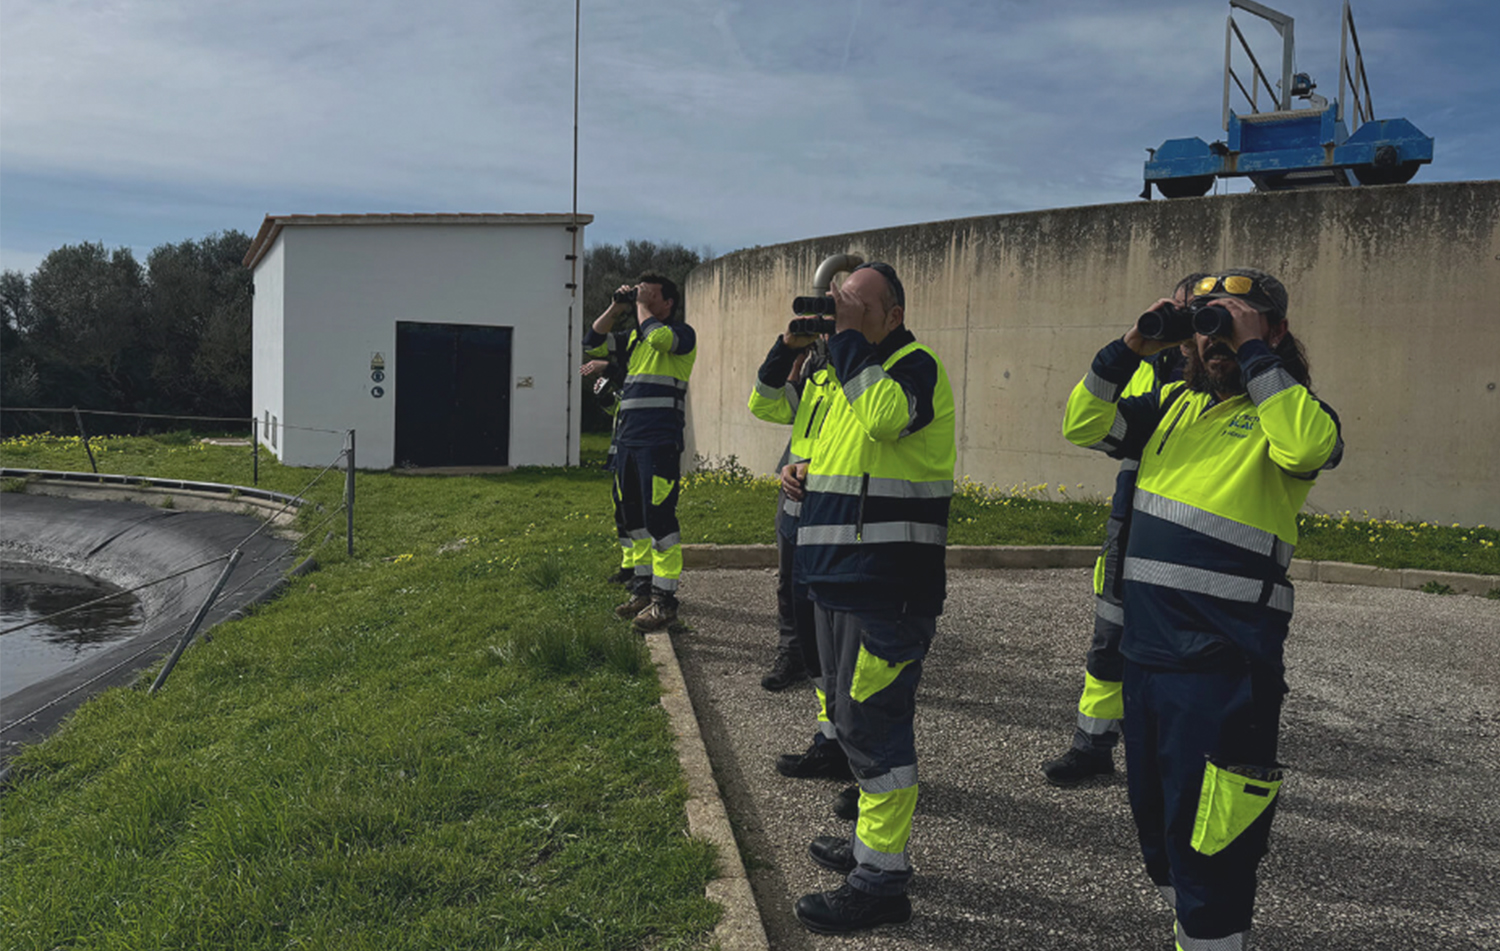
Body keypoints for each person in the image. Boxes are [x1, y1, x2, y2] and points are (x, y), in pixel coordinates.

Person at [1062, 268, 1342, 948]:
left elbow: (1310, 446)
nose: (1210, 339)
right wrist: (1134, 344)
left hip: (1221, 675)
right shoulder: (1172, 410)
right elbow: (1082, 420)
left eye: (1232, 321)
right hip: (1149, 663)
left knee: (1214, 856)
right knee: (1161, 842)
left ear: (1275, 330)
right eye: (1204, 327)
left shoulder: (1289, 413)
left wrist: (1253, 351)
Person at [788, 262, 956, 934]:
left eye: (854, 305)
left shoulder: (915, 368)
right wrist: (802, 473)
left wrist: (849, 339)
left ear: (891, 312)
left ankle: (880, 881)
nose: (839, 314)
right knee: (852, 721)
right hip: (836, 578)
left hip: (887, 588)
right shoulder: (842, 377)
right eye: (836, 306)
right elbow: (852, 461)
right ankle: (868, 847)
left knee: (874, 728)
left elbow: (887, 421)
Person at [1042, 272, 1207, 786]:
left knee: (1187, 648)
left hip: (1194, 522)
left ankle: (1180, 755)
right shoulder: (1148, 364)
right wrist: (1135, 343)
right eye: (1176, 309)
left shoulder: (1227, 371)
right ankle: (1091, 744)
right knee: (1110, 636)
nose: (1181, 324)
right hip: (1133, 511)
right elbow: (1091, 423)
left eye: (1194, 314)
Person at [581, 273, 697, 633]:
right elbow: (592, 342)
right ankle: (642, 590)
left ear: (668, 303)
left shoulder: (680, 334)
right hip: (629, 441)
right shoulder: (634, 338)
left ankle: (665, 601)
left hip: (658, 442)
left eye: (651, 295)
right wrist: (618, 306)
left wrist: (641, 305)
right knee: (635, 521)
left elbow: (660, 338)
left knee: (660, 521)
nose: (643, 300)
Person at [747, 331, 835, 691]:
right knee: (789, 581)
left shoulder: (864, 371)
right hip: (795, 492)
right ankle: (793, 654)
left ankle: (830, 662)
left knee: (830, 586)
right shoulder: (815, 373)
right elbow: (766, 404)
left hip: (834, 495)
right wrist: (786, 351)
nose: (825, 331)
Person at [579, 325, 634, 584]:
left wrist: (608, 368)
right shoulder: (625, 388)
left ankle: (639, 570)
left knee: (636, 512)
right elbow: (617, 410)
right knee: (621, 510)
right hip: (619, 456)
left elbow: (632, 384)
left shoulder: (640, 377)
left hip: (634, 455)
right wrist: (603, 398)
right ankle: (628, 564)